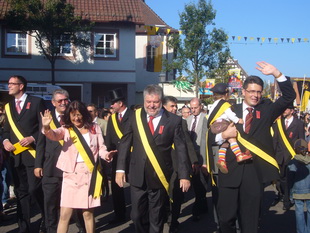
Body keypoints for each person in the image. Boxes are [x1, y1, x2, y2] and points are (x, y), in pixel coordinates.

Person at [207, 62, 296, 233]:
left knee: (250, 223)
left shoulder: (268, 109)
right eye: (251, 91)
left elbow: (288, 97)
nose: (255, 95)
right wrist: (223, 136)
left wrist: (277, 74)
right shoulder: (230, 109)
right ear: (243, 92)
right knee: (225, 220)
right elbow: (211, 134)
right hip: (229, 171)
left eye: (258, 92)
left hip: (254, 174)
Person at [115, 84, 191, 233]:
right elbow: (125, 143)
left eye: (155, 102)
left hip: (159, 175)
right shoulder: (134, 117)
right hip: (137, 175)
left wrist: (184, 175)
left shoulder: (174, 120)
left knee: (156, 218)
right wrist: (120, 169)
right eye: (148, 102)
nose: (151, 105)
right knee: (136, 216)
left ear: (161, 101)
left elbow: (181, 149)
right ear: (144, 101)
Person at [41, 100, 116, 233]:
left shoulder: (95, 128)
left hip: (89, 174)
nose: (76, 118)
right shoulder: (66, 129)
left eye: (79, 114)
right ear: (69, 115)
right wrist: (46, 127)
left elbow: (101, 147)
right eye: (73, 115)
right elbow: (53, 135)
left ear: (84, 114)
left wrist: (106, 155)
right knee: (64, 214)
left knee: (88, 214)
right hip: (71, 175)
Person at [35, 89, 86, 233]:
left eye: (65, 100)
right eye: (60, 101)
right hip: (51, 167)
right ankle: (51, 229)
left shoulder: (75, 117)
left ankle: (82, 228)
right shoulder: (47, 118)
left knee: (76, 205)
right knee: (50, 203)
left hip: (73, 169)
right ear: (53, 103)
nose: (63, 103)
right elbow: (41, 143)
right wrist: (38, 164)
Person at [2, 75, 46, 233]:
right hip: (15, 157)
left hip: (33, 155)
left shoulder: (36, 102)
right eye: (8, 84)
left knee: (35, 190)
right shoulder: (8, 106)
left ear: (21, 86)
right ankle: (24, 227)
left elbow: (44, 128)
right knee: (21, 192)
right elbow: (6, 130)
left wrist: (32, 138)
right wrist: (5, 141)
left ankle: (47, 219)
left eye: (12, 83)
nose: (9, 86)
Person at [162, 96, 195, 233]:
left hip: (177, 165)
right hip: (162, 164)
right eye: (172, 106)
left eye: (176, 106)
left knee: (176, 195)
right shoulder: (158, 122)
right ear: (164, 107)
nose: (175, 109)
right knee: (162, 195)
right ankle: (164, 216)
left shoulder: (181, 122)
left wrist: (194, 161)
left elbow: (187, 143)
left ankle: (173, 220)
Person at [208, 83, 250, 174]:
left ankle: (221, 160)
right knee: (232, 138)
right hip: (222, 124)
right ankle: (239, 155)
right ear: (226, 94)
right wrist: (238, 120)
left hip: (214, 126)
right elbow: (230, 115)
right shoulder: (224, 104)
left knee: (225, 142)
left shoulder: (214, 105)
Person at [105, 89, 133, 224]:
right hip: (117, 157)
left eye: (113, 103)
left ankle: (138, 214)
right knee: (117, 188)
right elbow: (109, 138)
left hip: (133, 156)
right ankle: (120, 215)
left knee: (135, 186)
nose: (111, 106)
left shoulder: (134, 115)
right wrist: (107, 151)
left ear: (120, 103)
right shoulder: (112, 119)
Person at [272, 104, 305, 210]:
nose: (284, 111)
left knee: (288, 179)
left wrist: (300, 155)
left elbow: (301, 140)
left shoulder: (299, 123)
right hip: (279, 155)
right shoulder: (278, 122)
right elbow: (275, 139)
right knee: (279, 178)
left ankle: (287, 200)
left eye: (286, 109)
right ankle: (281, 194)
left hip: (291, 156)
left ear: (291, 111)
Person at [186, 97, 208, 221]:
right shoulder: (187, 119)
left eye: (195, 107)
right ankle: (203, 206)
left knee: (201, 184)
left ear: (201, 106)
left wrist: (204, 162)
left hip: (202, 156)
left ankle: (197, 210)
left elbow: (206, 141)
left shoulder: (206, 119)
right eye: (191, 108)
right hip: (191, 157)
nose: (193, 110)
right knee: (196, 184)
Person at [287, 139, 310, 233]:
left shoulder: (292, 163)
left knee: (299, 212)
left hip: (297, 191)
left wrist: (290, 194)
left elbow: (290, 181)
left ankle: (301, 231)